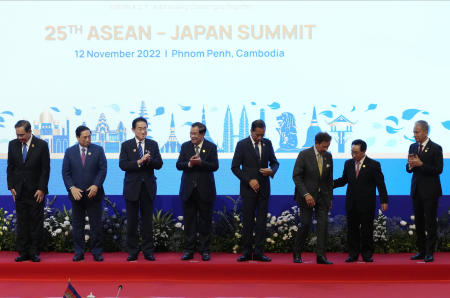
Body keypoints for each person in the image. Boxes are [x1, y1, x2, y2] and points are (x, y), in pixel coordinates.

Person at [231, 119, 279, 262]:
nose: (260, 138)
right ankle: (246, 252)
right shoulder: (242, 145)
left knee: (262, 221)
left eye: (262, 135)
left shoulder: (267, 143)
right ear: (251, 131)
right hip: (248, 189)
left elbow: (275, 162)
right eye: (257, 135)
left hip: (264, 188)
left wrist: (272, 171)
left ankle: (259, 252)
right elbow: (234, 167)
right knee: (248, 221)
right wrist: (249, 180)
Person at [333, 139, 388, 262]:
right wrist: (329, 184)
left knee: (367, 230)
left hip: (367, 204)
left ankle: (367, 254)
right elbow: (343, 180)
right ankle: (353, 254)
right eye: (352, 152)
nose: (353, 155)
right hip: (351, 203)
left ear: (363, 151)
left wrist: (384, 200)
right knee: (352, 230)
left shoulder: (374, 165)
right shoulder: (348, 163)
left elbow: (381, 184)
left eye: (356, 152)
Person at [119, 117, 163, 261]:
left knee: (147, 222)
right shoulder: (126, 145)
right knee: (132, 222)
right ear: (133, 130)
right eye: (140, 128)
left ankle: (148, 251)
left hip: (148, 188)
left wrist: (149, 160)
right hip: (132, 188)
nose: (143, 131)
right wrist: (139, 161)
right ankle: (132, 251)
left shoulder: (153, 144)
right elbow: (123, 165)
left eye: (145, 128)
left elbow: (159, 164)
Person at [7, 120, 50, 262]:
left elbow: (45, 169)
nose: (20, 138)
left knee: (35, 222)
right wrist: (11, 186)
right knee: (22, 222)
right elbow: (10, 168)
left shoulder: (41, 145)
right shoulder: (12, 144)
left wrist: (42, 188)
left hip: (36, 192)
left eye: (22, 134)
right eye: (18, 135)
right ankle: (23, 252)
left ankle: (34, 252)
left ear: (30, 131)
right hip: (19, 191)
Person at [62, 125, 107, 262]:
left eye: (89, 136)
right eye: (84, 137)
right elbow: (66, 172)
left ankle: (97, 252)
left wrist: (96, 185)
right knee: (77, 225)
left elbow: (102, 170)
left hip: (94, 194)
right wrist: (71, 187)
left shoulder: (98, 150)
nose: (88, 139)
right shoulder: (70, 152)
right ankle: (79, 252)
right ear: (77, 137)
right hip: (77, 195)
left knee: (96, 225)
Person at [176, 122, 219, 261]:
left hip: (205, 190)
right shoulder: (185, 146)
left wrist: (201, 163)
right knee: (189, 222)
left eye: (195, 133)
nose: (192, 136)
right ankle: (189, 250)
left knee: (205, 222)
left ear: (202, 134)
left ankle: (204, 250)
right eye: (191, 133)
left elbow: (215, 166)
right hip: (188, 190)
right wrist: (189, 164)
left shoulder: (211, 147)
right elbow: (179, 165)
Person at [292, 132, 333, 264]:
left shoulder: (328, 156)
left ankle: (321, 256)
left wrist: (330, 198)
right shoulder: (304, 155)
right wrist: (306, 194)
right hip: (306, 197)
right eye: (323, 146)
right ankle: (297, 253)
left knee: (323, 226)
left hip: (323, 197)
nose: (325, 149)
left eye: (327, 146)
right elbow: (296, 176)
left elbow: (329, 180)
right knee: (305, 224)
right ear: (316, 143)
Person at [407, 120, 443, 263]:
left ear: (425, 131)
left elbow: (438, 169)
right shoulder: (412, 146)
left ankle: (429, 252)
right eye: (414, 132)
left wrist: (421, 164)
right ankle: (421, 251)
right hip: (416, 190)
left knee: (430, 223)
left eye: (417, 132)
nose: (414, 135)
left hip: (430, 191)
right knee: (419, 223)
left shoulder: (436, 148)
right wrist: (410, 165)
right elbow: (408, 168)